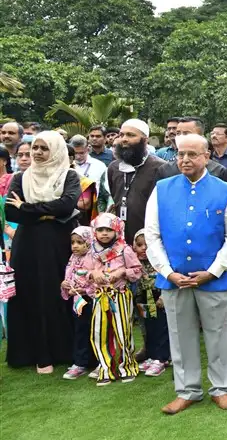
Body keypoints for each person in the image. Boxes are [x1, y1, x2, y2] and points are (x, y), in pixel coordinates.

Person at [144, 133, 227, 414]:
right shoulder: (162, 188)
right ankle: (188, 390)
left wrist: (212, 272)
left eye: (192, 154)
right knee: (180, 335)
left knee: (219, 334)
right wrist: (167, 271)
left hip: (213, 278)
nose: (185, 159)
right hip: (173, 278)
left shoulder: (225, 190)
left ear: (206, 156)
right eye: (180, 154)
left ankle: (222, 388)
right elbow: (152, 236)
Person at [4, 131, 82, 372]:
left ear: (56, 150)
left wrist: (28, 208)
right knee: (30, 292)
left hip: (59, 245)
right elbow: (12, 213)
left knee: (59, 290)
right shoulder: (20, 178)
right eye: (34, 148)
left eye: (43, 148)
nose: (37, 153)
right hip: (27, 247)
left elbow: (67, 205)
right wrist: (47, 212)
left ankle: (64, 351)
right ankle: (31, 353)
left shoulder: (69, 175)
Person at [87, 213, 143, 385]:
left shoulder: (124, 249)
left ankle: (128, 366)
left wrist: (122, 272)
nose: (104, 233)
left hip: (120, 294)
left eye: (109, 230)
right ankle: (105, 368)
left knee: (122, 331)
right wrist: (93, 273)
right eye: (100, 230)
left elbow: (137, 271)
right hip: (99, 296)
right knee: (98, 333)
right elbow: (82, 272)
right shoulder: (92, 251)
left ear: (117, 230)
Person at [59, 226, 99, 380]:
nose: (75, 246)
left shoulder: (95, 258)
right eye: (73, 242)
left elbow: (99, 281)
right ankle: (80, 363)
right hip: (78, 302)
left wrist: (86, 290)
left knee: (95, 331)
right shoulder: (73, 258)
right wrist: (65, 284)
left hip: (92, 300)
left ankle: (99, 362)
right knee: (80, 331)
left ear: (89, 242)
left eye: (80, 242)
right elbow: (69, 275)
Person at [131, 229, 170, 377]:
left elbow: (168, 279)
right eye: (139, 245)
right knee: (149, 327)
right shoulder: (135, 263)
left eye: (146, 245)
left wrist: (164, 297)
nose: (143, 248)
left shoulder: (161, 262)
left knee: (161, 327)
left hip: (158, 298)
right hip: (143, 299)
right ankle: (152, 356)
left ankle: (161, 358)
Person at [157, 117, 227, 184]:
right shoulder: (165, 170)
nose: (181, 137)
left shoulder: (218, 171)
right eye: (178, 133)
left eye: (186, 133)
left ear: (201, 136)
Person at [69, 135, 110, 213]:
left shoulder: (99, 165)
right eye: (75, 153)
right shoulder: (67, 165)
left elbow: (105, 189)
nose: (78, 157)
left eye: (81, 153)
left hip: (94, 210)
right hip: (71, 209)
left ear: (88, 149)